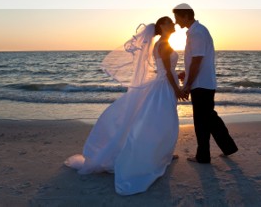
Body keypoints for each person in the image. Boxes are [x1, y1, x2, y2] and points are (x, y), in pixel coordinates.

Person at [64, 16, 185, 195]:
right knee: (162, 122)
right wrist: (177, 89)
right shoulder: (163, 45)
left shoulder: (161, 43)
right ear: (162, 26)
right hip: (164, 87)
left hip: (163, 84)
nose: (173, 24)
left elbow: (166, 70)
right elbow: (166, 72)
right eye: (169, 22)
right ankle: (156, 156)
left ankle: (164, 154)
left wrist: (178, 75)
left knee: (162, 121)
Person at [173, 3, 238, 164]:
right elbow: (196, 61)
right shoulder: (196, 31)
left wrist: (188, 83)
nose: (176, 22)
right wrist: (186, 74)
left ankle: (203, 156)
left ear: (186, 16)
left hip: (201, 84)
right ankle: (228, 147)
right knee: (209, 117)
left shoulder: (197, 33)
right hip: (204, 82)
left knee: (202, 121)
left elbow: (197, 61)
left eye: (177, 17)